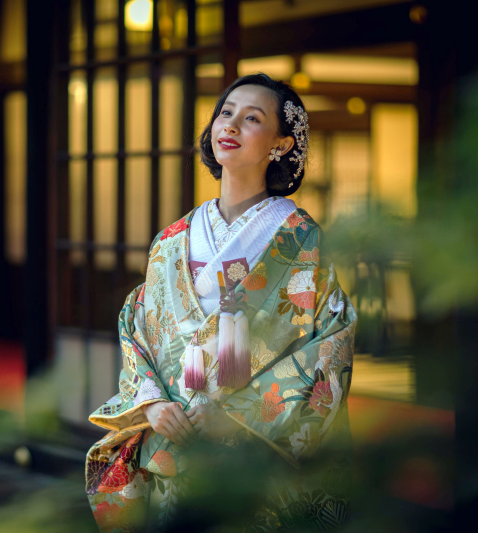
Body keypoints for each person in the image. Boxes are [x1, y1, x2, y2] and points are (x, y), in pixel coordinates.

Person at [85, 73, 357, 532]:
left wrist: (234, 414)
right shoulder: (172, 240)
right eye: (225, 113)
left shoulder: (303, 241)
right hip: (174, 437)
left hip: (253, 453)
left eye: (252, 118)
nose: (230, 124)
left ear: (281, 144)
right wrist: (152, 404)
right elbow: (136, 325)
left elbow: (329, 344)